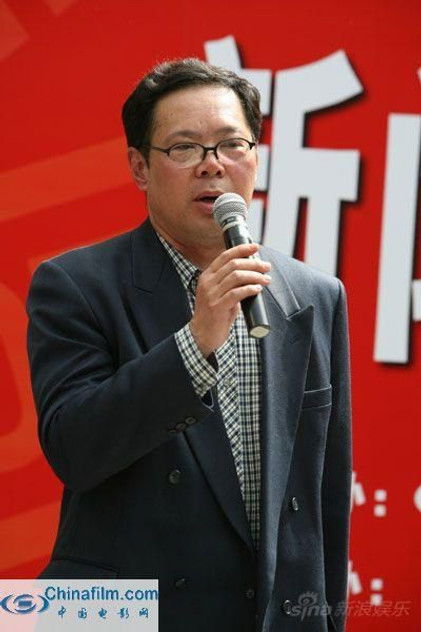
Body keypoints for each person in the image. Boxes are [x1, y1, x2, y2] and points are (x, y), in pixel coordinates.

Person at [26, 58, 352, 632]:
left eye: (232, 145)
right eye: (184, 148)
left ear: (256, 158)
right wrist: (195, 342)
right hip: (126, 614)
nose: (213, 165)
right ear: (140, 166)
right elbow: (74, 451)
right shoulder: (75, 284)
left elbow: (324, 495)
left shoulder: (314, 295)